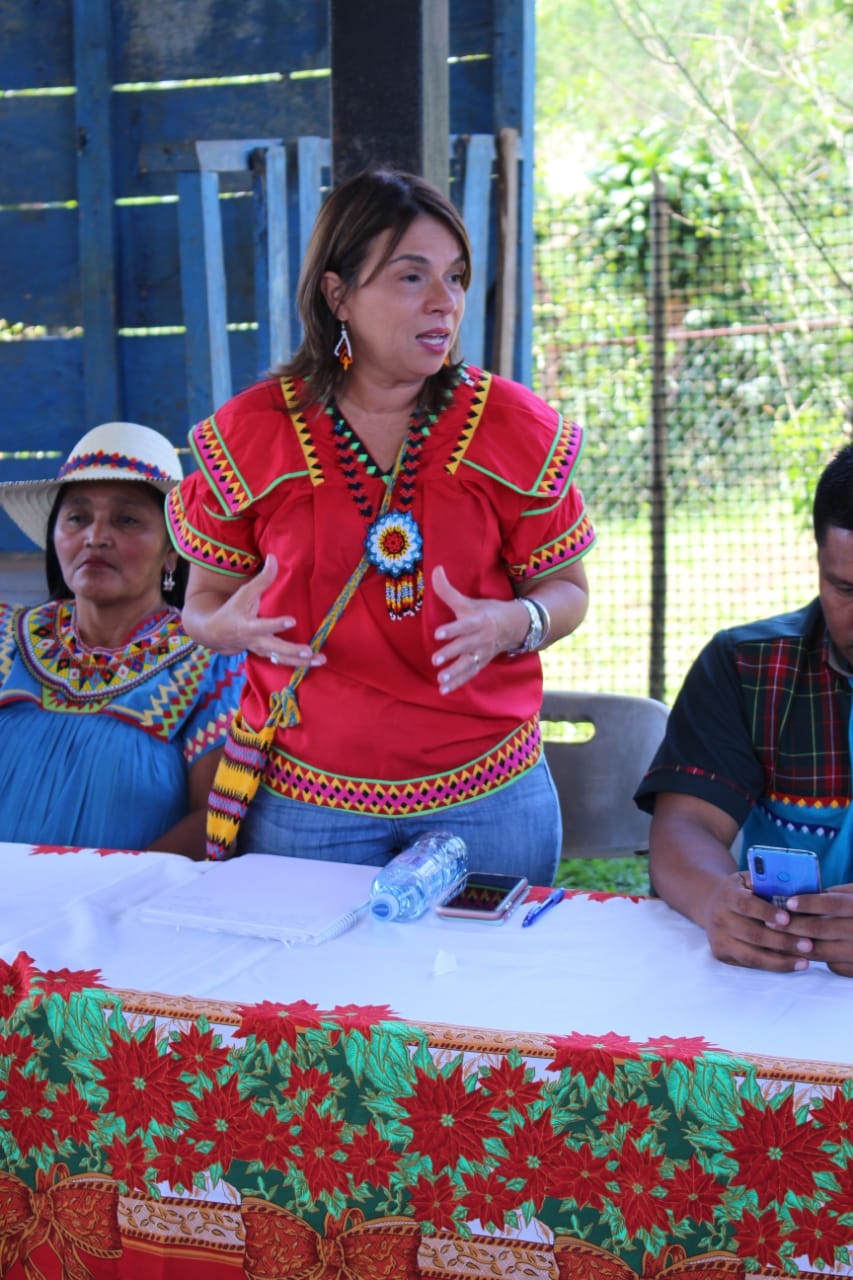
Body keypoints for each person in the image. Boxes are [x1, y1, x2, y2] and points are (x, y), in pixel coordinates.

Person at [166, 167, 596, 880]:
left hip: (489, 797)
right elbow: (202, 605)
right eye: (410, 277)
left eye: (455, 277)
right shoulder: (253, 433)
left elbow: (567, 591)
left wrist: (513, 623)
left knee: (486, 989)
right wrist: (222, 629)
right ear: (338, 293)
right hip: (307, 804)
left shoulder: (513, 427)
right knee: (313, 994)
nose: (444, 302)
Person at [635, 442, 853, 977]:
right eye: (845, 588)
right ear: (819, 562)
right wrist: (717, 903)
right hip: (781, 989)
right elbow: (685, 825)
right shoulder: (745, 668)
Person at [0, 421, 244, 858]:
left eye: (127, 519)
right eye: (77, 517)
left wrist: (109, 896)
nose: (95, 536)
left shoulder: (211, 663)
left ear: (173, 549)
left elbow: (215, 815)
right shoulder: (6, 640)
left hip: (121, 913)